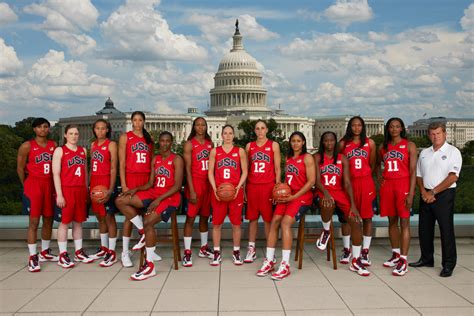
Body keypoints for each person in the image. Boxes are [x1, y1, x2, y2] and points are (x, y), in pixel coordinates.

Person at [117, 132, 183, 281]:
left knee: (149, 222)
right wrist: (137, 189)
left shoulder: (177, 159)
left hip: (169, 197)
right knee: (121, 200)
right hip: (154, 193)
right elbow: (150, 183)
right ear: (159, 142)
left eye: (168, 141)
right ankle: (142, 231)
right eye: (162, 141)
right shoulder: (156, 159)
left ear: (171, 143)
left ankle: (150, 266)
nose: (165, 143)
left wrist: (158, 200)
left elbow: (177, 186)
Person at [256, 132, 315, 280]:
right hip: (288, 196)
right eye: (293, 141)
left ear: (303, 143)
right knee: (274, 221)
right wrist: (279, 194)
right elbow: (288, 180)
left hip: (301, 197)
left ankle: (285, 264)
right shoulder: (289, 158)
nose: (295, 143)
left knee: (285, 223)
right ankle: (269, 260)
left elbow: (311, 182)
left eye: (298, 141)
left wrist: (295, 196)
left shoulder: (307, 158)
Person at [410, 122, 462, 277]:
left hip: (444, 195)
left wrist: (433, 192)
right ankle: (426, 259)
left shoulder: (453, 152)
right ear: (428, 135)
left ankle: (448, 264)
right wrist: (423, 192)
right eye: (432, 134)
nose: (435, 136)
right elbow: (419, 175)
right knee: (424, 229)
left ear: (444, 134)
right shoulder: (425, 152)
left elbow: (453, 177)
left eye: (438, 133)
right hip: (425, 195)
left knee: (446, 230)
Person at [314, 132, 370, 276]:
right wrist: (326, 193)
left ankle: (356, 260)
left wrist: (353, 205)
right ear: (322, 142)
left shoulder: (342, 158)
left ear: (335, 142)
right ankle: (326, 230)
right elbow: (317, 181)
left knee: (356, 221)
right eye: (326, 141)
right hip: (323, 191)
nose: (329, 143)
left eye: (331, 140)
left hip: (339, 192)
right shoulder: (317, 157)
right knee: (328, 203)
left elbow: (346, 182)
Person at [17, 118, 58, 272]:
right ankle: (33, 256)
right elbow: (20, 168)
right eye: (40, 127)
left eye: (46, 127)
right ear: (34, 129)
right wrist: (26, 185)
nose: (43, 129)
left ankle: (45, 252)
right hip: (34, 184)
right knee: (34, 222)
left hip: (49, 185)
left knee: (48, 219)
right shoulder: (27, 146)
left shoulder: (53, 145)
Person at [378, 118, 417, 276]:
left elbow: (413, 171)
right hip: (388, 186)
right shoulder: (383, 147)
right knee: (392, 221)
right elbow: (375, 164)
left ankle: (403, 259)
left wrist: (412, 193)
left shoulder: (410, 145)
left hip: (403, 185)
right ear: (388, 129)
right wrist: (379, 175)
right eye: (391, 127)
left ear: (402, 128)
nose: (394, 129)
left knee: (404, 222)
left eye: (397, 126)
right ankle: (395, 254)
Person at [117, 111, 156, 267]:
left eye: (140, 120)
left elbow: (152, 162)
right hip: (131, 178)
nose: (137, 123)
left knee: (146, 214)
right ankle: (125, 252)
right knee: (129, 216)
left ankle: (149, 248)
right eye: (135, 120)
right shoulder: (125, 137)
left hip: (146, 179)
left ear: (144, 122)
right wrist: (124, 184)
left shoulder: (149, 139)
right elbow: (121, 163)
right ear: (131, 122)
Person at [52, 125, 94, 268]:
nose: (74, 136)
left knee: (78, 222)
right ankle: (62, 254)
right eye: (71, 133)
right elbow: (55, 174)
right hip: (66, 189)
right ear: (65, 135)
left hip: (80, 190)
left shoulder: (83, 150)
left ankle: (78, 252)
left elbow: (85, 172)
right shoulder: (60, 150)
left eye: (76, 133)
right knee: (64, 223)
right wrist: (59, 194)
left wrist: (87, 189)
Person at [208, 125, 248, 266]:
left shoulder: (240, 151)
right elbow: (210, 172)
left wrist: (238, 187)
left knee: (236, 224)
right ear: (221, 135)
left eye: (230, 133)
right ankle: (217, 253)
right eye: (225, 133)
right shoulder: (215, 151)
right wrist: (214, 189)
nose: (228, 136)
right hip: (219, 192)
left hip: (235, 192)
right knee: (217, 224)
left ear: (234, 135)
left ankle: (236, 252)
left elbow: (245, 172)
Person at [338, 116, 376, 265]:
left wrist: (365, 176)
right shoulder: (343, 144)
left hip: (365, 183)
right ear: (349, 127)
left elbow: (372, 164)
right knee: (348, 217)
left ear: (363, 127)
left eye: (359, 125)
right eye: (353, 125)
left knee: (367, 218)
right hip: (349, 183)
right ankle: (347, 250)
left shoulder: (370, 143)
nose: (356, 128)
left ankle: (365, 251)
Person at [244, 120, 281, 263]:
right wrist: (244, 189)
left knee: (268, 220)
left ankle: (270, 251)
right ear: (254, 131)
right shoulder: (249, 146)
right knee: (252, 219)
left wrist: (277, 187)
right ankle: (251, 249)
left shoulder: (273, 145)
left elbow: (277, 168)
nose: (260, 131)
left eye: (262, 128)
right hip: (253, 186)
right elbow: (246, 170)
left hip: (268, 186)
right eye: (257, 129)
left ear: (267, 130)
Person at [182, 117, 214, 267]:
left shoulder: (210, 144)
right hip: (195, 183)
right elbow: (187, 169)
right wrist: (192, 190)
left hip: (208, 184)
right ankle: (187, 252)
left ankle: (203, 247)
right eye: (198, 125)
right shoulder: (189, 144)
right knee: (190, 218)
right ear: (194, 127)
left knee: (204, 217)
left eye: (203, 125)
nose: (201, 127)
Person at [89, 119, 119, 267]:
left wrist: (111, 188)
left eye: (103, 128)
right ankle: (104, 247)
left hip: (106, 182)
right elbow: (91, 167)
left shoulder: (112, 145)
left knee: (109, 217)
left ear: (107, 130)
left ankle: (112, 252)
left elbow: (114, 168)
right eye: (97, 128)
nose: (100, 131)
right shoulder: (93, 145)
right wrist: (89, 185)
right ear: (94, 130)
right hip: (95, 183)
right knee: (100, 217)